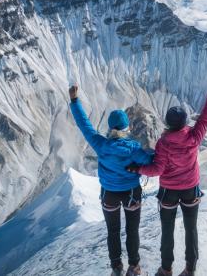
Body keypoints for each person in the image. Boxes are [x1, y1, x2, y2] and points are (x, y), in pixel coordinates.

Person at [127, 75, 207, 276]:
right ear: (185, 122)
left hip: (169, 191)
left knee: (167, 231)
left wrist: (137, 169)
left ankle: (166, 269)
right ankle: (190, 269)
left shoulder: (164, 143)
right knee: (191, 229)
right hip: (190, 189)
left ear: (167, 123)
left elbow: (157, 170)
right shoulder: (195, 137)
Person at [69, 84, 154, 276]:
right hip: (132, 192)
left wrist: (75, 101)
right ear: (126, 127)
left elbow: (85, 125)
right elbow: (150, 161)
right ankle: (134, 267)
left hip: (109, 194)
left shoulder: (101, 145)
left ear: (111, 127)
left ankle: (116, 268)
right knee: (132, 230)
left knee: (113, 231)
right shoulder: (133, 148)